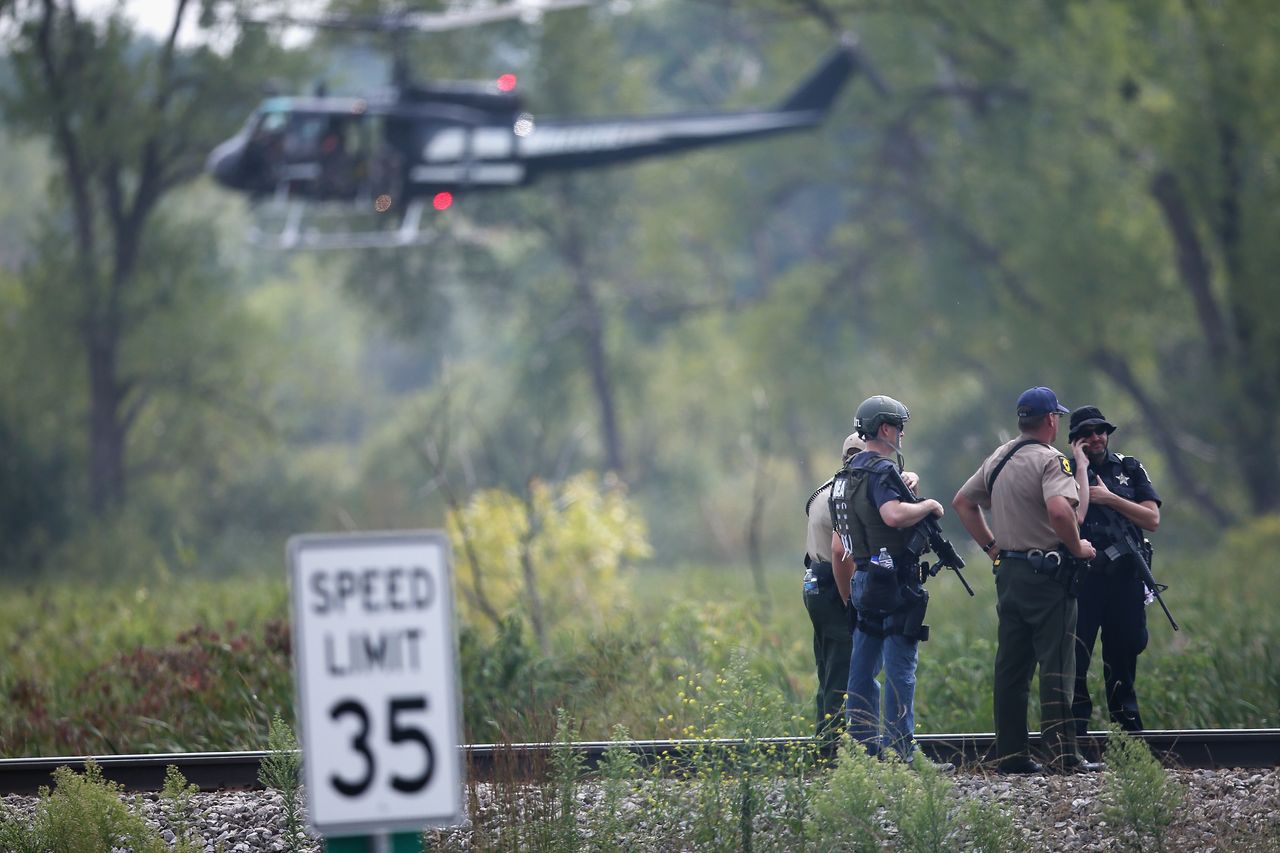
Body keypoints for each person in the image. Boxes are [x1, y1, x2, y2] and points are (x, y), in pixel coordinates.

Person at [951, 386, 1099, 774]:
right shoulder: (1051, 460)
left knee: (1011, 668)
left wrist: (992, 547)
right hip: (1048, 575)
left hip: (1010, 573)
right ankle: (1063, 756)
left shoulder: (998, 457)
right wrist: (1079, 547)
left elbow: (963, 503)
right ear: (1051, 420)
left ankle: (1012, 755)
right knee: (1057, 664)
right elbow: (1059, 510)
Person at [832, 395, 948, 767]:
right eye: (899, 427)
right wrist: (929, 505)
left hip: (865, 579)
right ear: (885, 428)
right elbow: (893, 514)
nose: (901, 435)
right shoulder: (882, 471)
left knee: (862, 667)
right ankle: (902, 752)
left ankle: (864, 749)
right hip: (895, 582)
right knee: (900, 669)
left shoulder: (849, 473)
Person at [1068, 405, 1162, 736]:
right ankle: (1076, 734)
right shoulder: (1063, 470)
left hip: (1125, 579)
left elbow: (1151, 519)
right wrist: (1079, 466)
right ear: (1076, 440)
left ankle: (1127, 733)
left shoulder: (1130, 468)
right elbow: (1071, 513)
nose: (1096, 437)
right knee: (1075, 659)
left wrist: (1109, 498)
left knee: (1123, 656)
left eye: (1101, 430)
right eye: (1087, 433)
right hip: (1083, 581)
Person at [803, 433, 864, 743]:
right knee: (841, 669)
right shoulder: (847, 493)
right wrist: (850, 601)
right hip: (832, 582)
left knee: (828, 670)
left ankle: (825, 738)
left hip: (813, 581)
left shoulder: (826, 487)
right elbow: (842, 552)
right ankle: (832, 749)